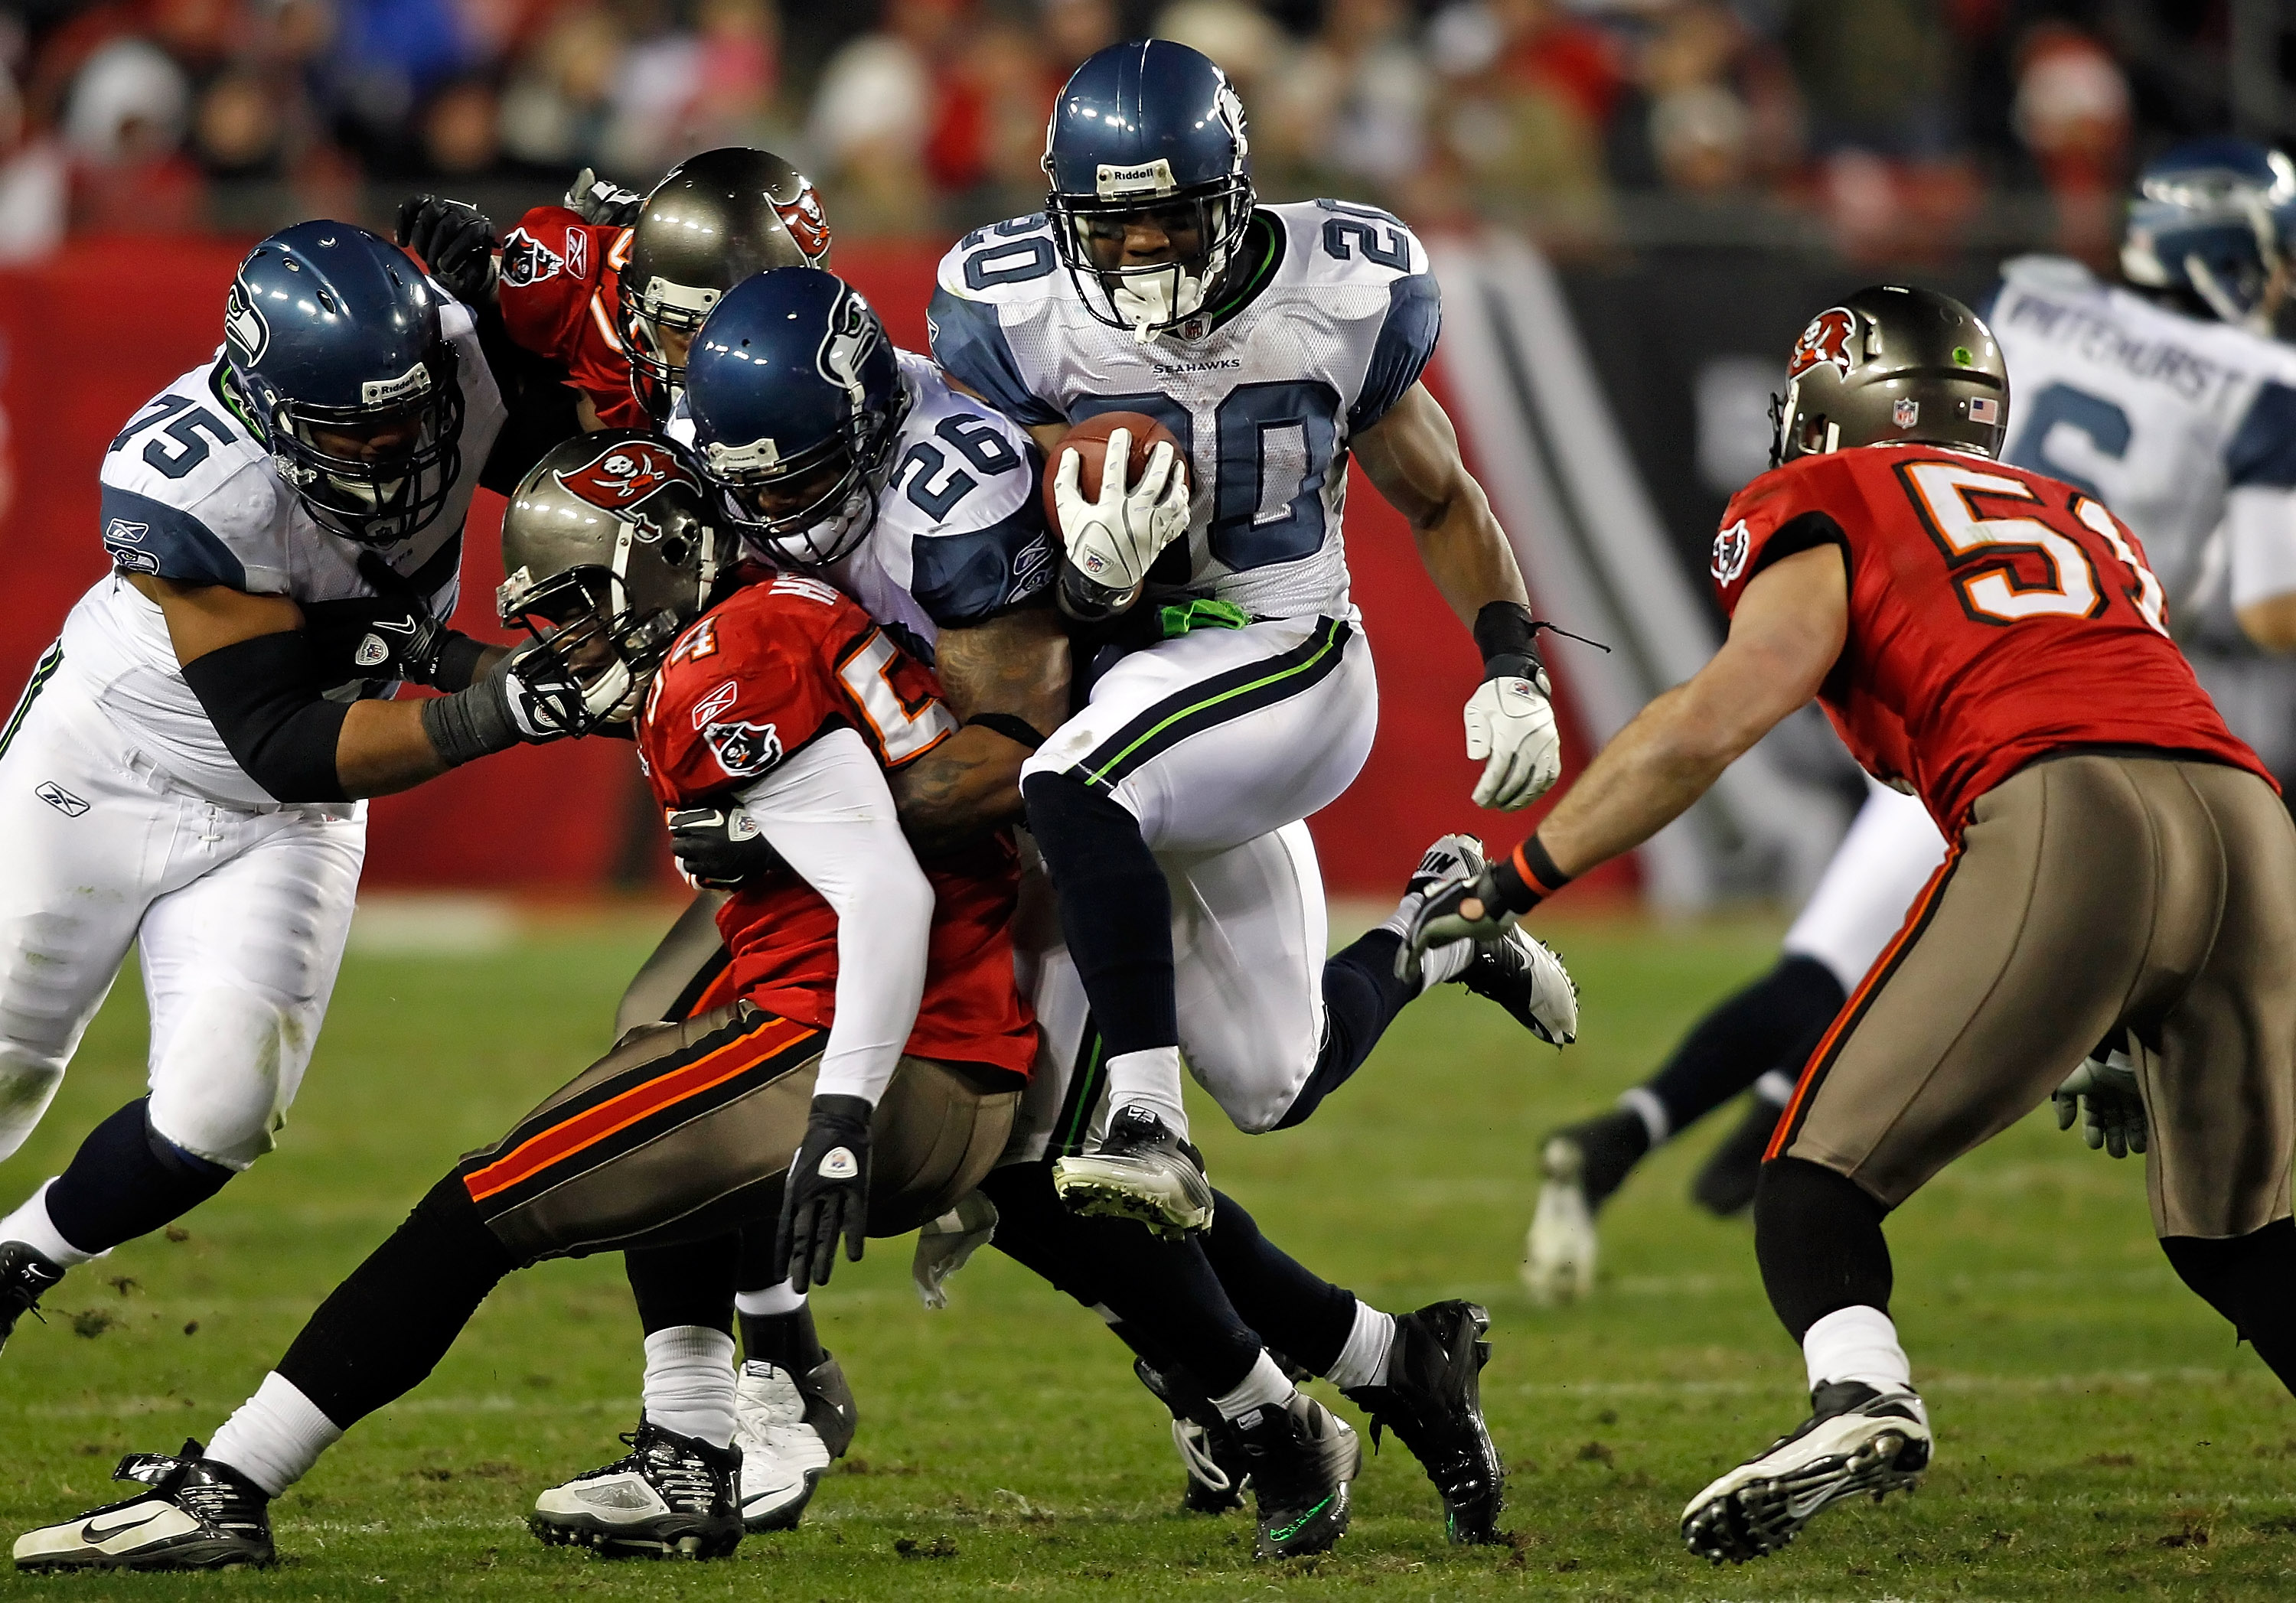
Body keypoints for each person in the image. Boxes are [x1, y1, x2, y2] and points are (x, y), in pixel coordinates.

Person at [534, 268, 1511, 1554]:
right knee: (719, 1049)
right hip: (1016, 820)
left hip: (1143, 774)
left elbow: (1024, 745)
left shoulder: (963, 484)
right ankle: (1339, 1375)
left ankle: (1420, 970)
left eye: (797, 477)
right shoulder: (828, 408)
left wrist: (803, 811)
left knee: (1199, 1106)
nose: (774, 512)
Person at [11, 432, 1039, 1572]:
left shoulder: (724, 663)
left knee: (473, 1210)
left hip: (864, 1065)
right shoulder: (769, 612)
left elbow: (884, 888)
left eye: (581, 608)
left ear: (655, 567)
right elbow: (755, 751)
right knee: (655, 1039)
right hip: (953, 1053)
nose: (567, 637)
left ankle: (229, 1489)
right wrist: (446, 656)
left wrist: (845, 1113)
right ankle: (690, 1450)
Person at [1401, 283, 2296, 1562]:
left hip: (2066, 807)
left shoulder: (1824, 496)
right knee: (2243, 1237)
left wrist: (1521, 876)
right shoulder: (2079, 512)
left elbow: (1722, 712)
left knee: (1814, 1186)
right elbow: (2116, 695)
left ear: (1831, 406)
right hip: (2250, 819)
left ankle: (1863, 1397)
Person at [1520, 135, 2296, 1303]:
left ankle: (1709, 1160)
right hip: (2155, 702)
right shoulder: (2254, 387)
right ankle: (1697, 1146)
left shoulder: (2036, 296)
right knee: (2213, 1182)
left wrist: (1515, 877)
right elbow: (2268, 602)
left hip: (1986, 700)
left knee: (1838, 977)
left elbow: (1916, 417)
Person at [928, 39, 1568, 1233]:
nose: (1139, 251)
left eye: (1167, 218)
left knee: (1067, 783)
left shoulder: (1340, 289)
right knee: (1279, 1081)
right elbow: (988, 541)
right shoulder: (1016, 310)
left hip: (1286, 654)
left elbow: (1441, 498)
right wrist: (1081, 577)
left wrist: (1511, 661)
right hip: (1134, 675)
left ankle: (1147, 1127)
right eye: (1109, 228)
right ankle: (1440, 930)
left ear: (1229, 192)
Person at [0, 221, 596, 1350]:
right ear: (267, 409)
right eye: (353, 429)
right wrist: (499, 705)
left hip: (285, 818)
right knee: (5, 1063)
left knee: (220, 1115)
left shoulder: (452, 363)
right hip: (112, 766)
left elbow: (597, 452)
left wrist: (579, 272)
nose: (395, 446)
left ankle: (19, 1255)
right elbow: (277, 730)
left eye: (408, 415)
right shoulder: (193, 481)